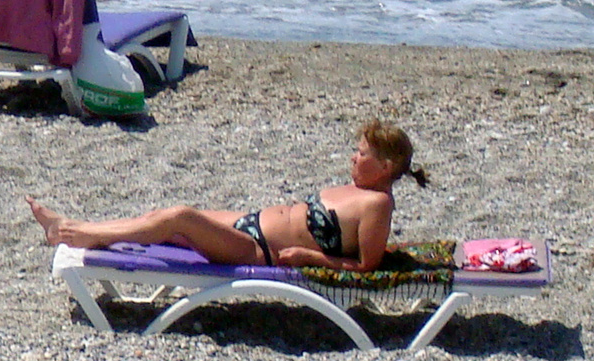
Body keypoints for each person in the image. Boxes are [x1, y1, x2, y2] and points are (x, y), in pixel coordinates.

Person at [26, 119, 429, 270]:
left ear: (386, 166)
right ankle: (79, 227)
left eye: (362, 154)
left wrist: (309, 257)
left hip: (258, 251)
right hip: (249, 224)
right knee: (163, 219)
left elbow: (366, 266)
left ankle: (75, 233)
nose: (353, 157)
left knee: (180, 217)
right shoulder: (358, 188)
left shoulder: (377, 204)